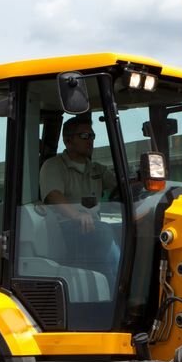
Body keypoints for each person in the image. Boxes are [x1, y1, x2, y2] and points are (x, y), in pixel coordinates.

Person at [37, 115, 120, 281]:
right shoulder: (54, 166)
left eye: (92, 136)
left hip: (93, 227)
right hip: (65, 227)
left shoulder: (96, 169)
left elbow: (120, 187)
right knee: (104, 233)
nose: (90, 141)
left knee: (124, 230)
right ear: (68, 141)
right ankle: (115, 291)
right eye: (84, 136)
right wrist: (77, 215)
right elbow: (54, 195)